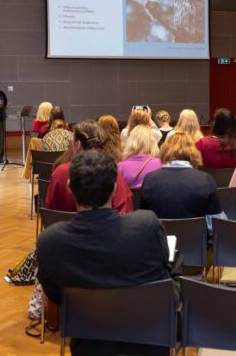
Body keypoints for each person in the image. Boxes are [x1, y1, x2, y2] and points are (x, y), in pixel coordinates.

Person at [37, 149, 173, 355]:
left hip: (89, 344)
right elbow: (163, 271)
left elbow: (56, 294)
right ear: (115, 188)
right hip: (148, 342)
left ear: (70, 188)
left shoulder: (50, 242)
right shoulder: (147, 225)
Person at [141, 133, 224, 233]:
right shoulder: (205, 179)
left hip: (160, 244)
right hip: (196, 245)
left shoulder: (149, 179)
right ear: (193, 152)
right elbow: (217, 224)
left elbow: (145, 221)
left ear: (164, 151)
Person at [45, 120, 133, 214]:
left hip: (66, 228)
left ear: (77, 145)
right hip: (106, 228)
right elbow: (125, 212)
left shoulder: (59, 173)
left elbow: (50, 213)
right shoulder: (112, 174)